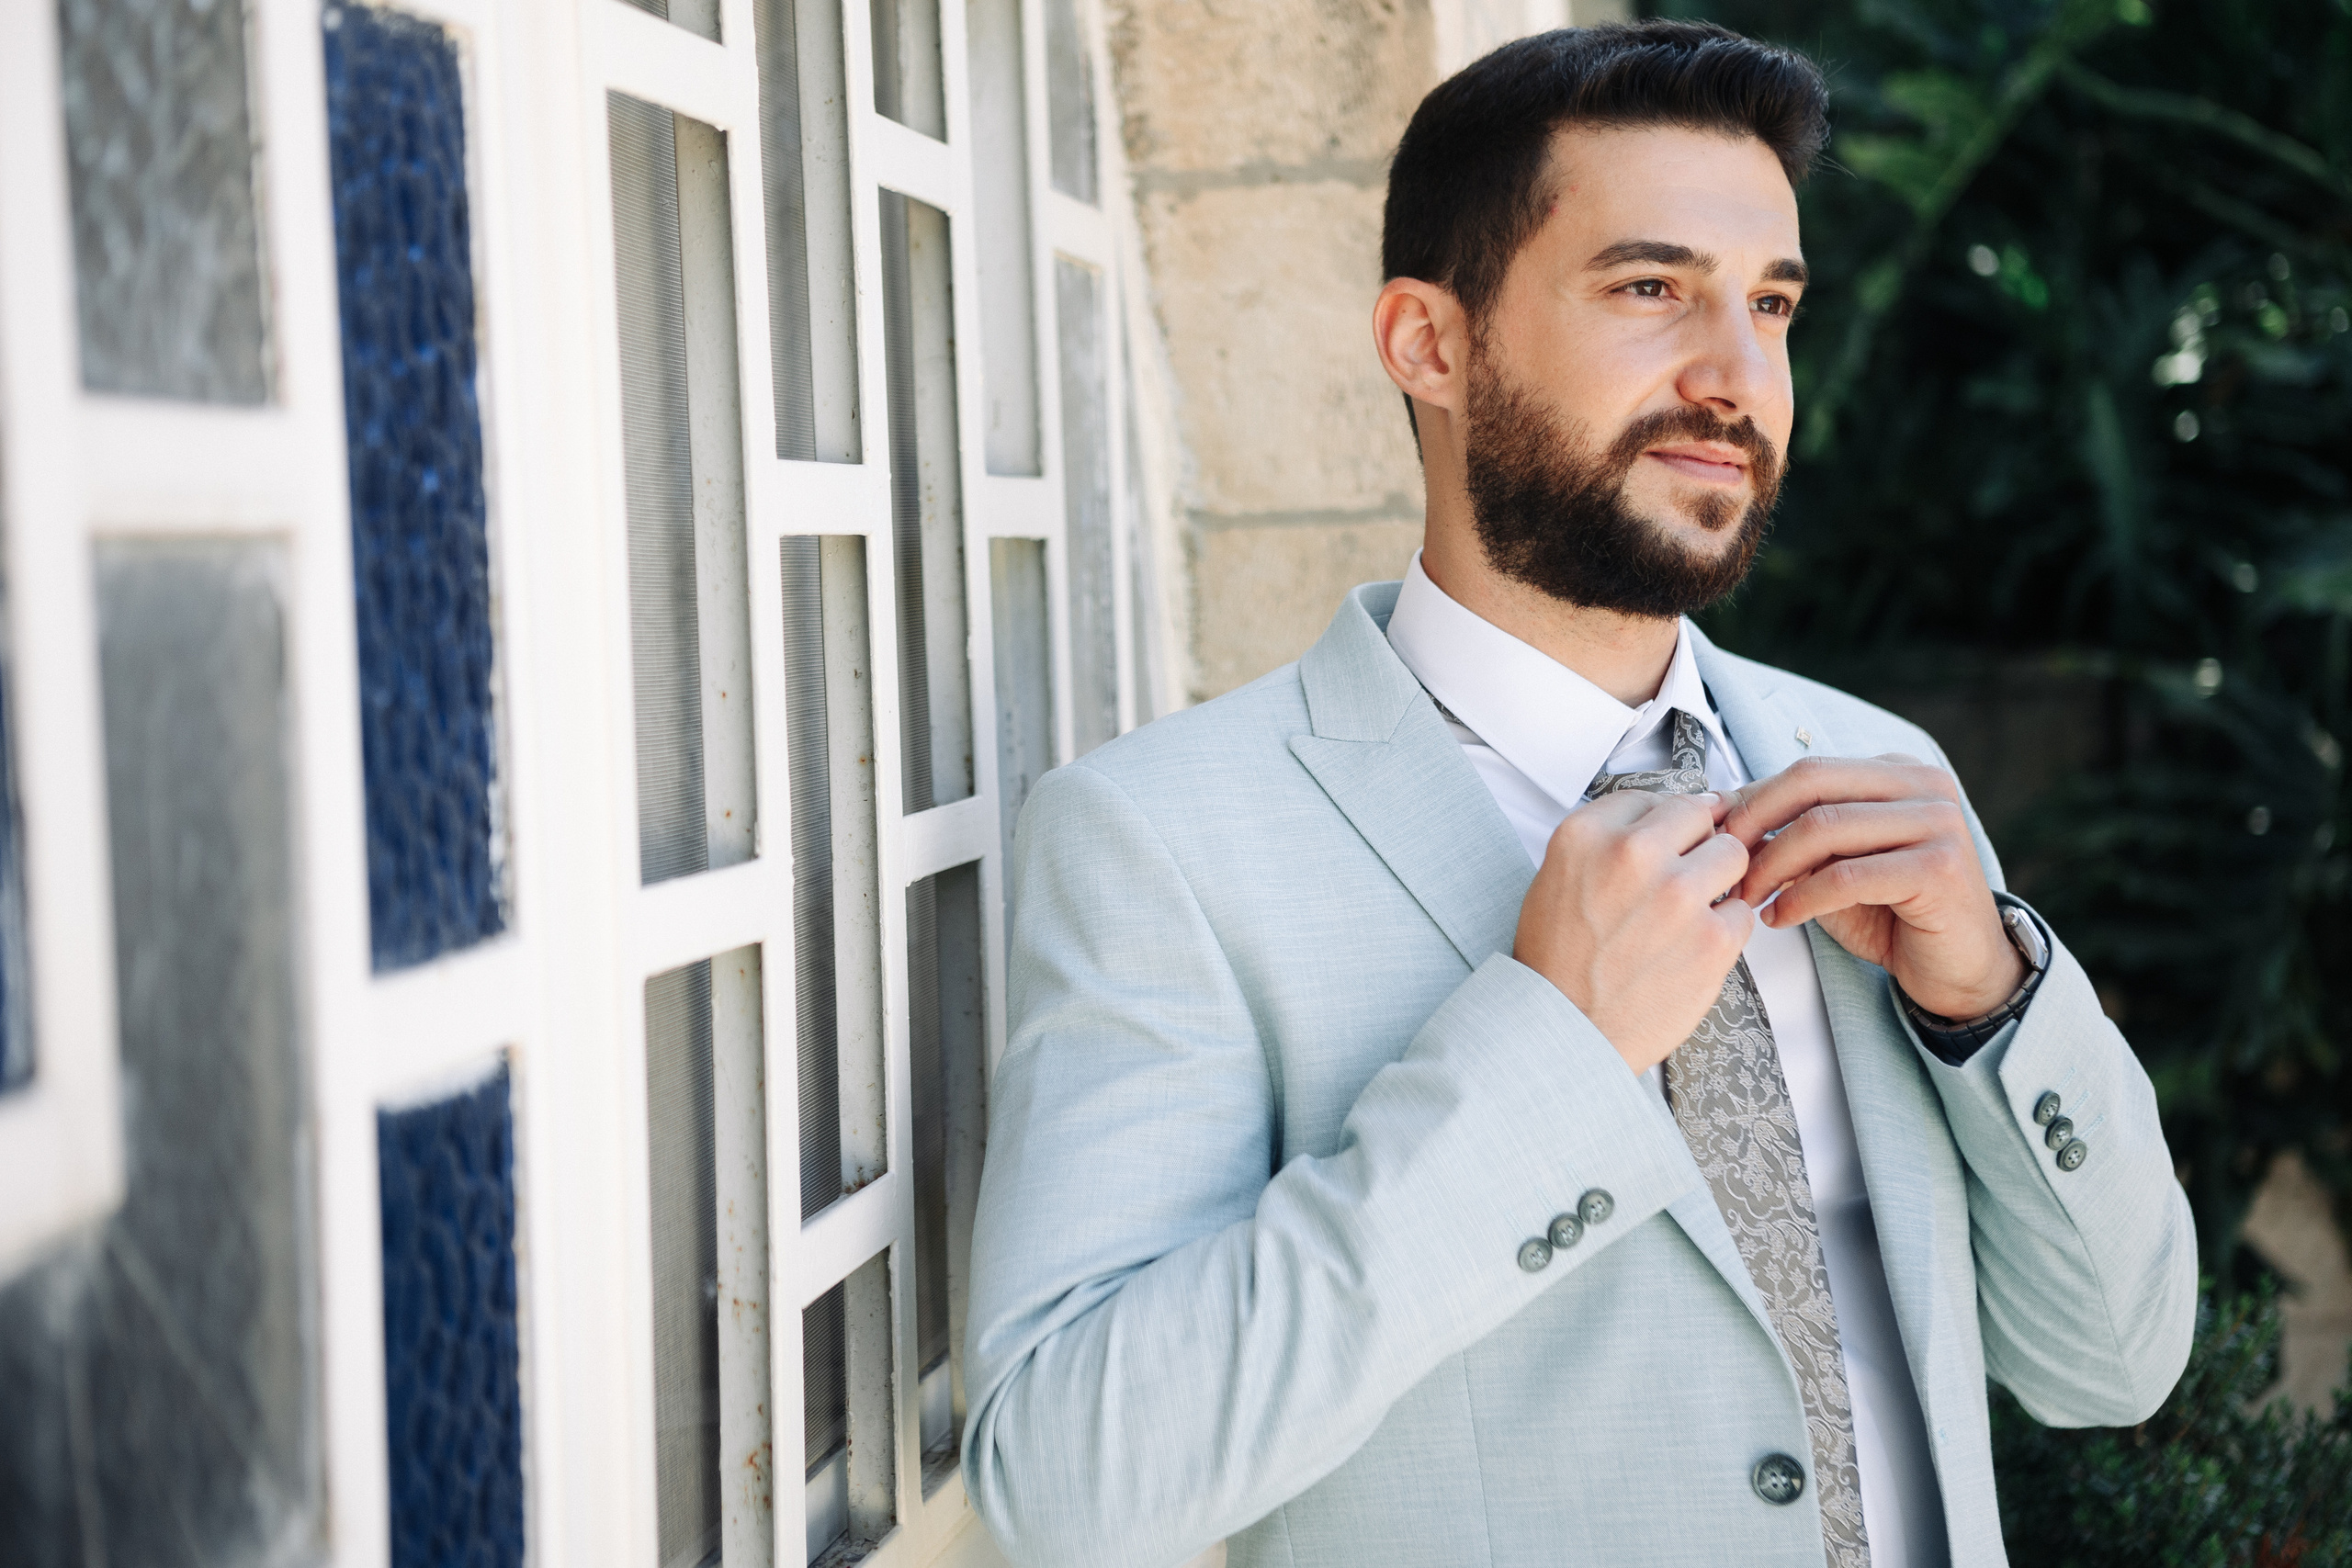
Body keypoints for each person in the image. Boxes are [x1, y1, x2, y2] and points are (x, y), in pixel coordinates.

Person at [959, 21, 2196, 1568]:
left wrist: (1994, 1003)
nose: (1737, 377)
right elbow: (1073, 1484)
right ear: (1431, 343)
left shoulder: (1884, 785)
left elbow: (2113, 1364)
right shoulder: (1162, 843)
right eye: (1650, 290)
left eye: (1771, 307)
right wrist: (1552, 1049)